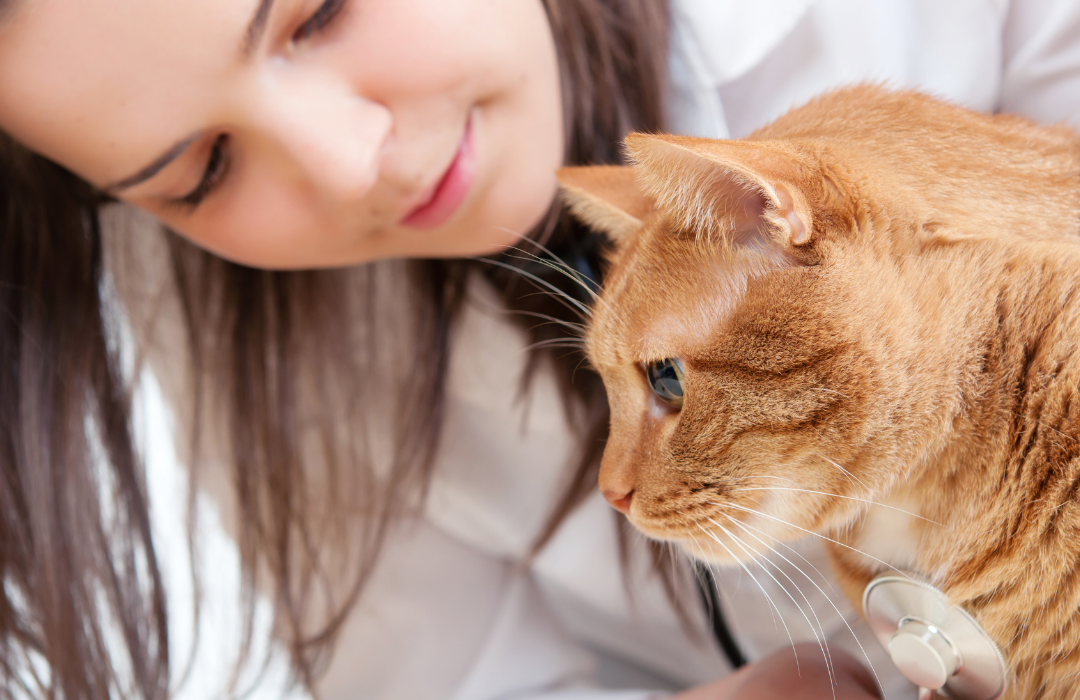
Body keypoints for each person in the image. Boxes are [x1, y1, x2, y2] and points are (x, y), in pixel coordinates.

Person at [1, 0, 1079, 698]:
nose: (348, 163)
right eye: (201, 173)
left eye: (317, 13)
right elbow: (463, 678)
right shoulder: (252, 343)